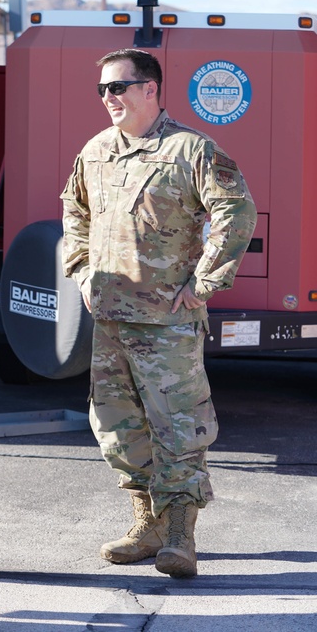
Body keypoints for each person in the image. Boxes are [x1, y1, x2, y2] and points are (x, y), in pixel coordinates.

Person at [61, 48, 257, 578]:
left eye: (119, 87)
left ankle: (179, 536)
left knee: (178, 427)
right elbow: (73, 212)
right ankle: (144, 525)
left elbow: (236, 211)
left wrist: (205, 282)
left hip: (167, 322)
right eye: (102, 89)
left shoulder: (190, 150)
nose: (109, 98)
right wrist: (79, 269)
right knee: (118, 427)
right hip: (109, 320)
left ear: (151, 89)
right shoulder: (97, 150)